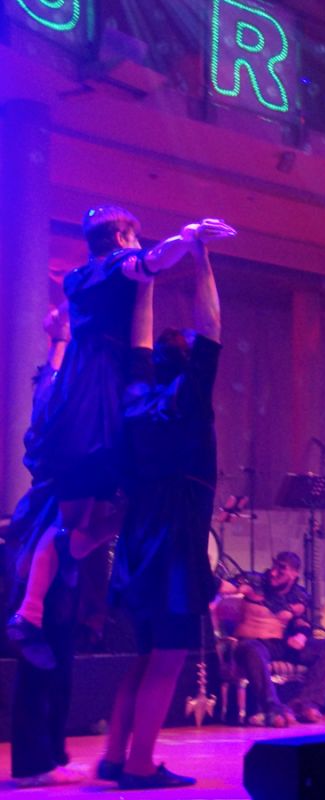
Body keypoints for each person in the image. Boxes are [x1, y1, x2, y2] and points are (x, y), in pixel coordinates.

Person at [7, 209, 234, 666]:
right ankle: (31, 613)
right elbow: (151, 261)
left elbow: (129, 289)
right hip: (98, 401)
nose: (138, 243)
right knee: (77, 519)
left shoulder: (80, 280)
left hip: (84, 397)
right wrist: (187, 238)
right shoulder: (113, 266)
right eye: (134, 235)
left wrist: (59, 329)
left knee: (88, 519)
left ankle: (41, 609)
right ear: (120, 236)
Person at [99, 222, 231, 790]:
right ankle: (138, 766)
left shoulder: (136, 397)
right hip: (176, 541)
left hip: (138, 538)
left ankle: (114, 757)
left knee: (146, 653)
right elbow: (212, 325)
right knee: (170, 656)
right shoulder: (189, 397)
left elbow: (138, 342)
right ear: (189, 360)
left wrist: (147, 278)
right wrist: (201, 256)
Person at [6, 306, 114, 788]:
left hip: (62, 526)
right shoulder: (58, 401)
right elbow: (51, 393)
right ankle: (34, 763)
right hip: (48, 515)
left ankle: (49, 755)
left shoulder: (77, 398)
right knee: (42, 651)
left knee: (59, 652)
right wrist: (62, 337)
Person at [230, 551, 325, 726]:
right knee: (252, 649)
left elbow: (301, 622)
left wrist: (301, 636)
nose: (273, 572)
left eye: (281, 569)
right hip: (252, 643)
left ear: (294, 574)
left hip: (280, 644)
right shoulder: (255, 582)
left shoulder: (298, 595)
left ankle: (306, 703)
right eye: (274, 566)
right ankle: (272, 708)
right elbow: (230, 587)